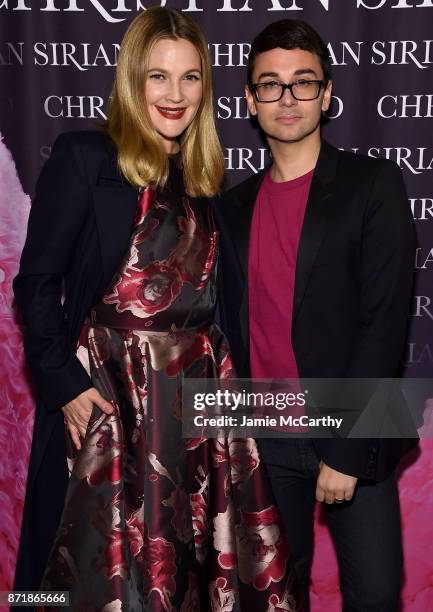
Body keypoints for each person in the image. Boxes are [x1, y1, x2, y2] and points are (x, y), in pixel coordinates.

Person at [13, 8, 299, 611]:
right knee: (104, 574)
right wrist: (64, 385)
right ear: (131, 81)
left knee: (187, 571)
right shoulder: (86, 157)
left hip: (195, 409)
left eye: (190, 77)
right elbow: (36, 283)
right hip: (112, 403)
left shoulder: (201, 184)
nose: (175, 94)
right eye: (158, 76)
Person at [215, 18, 418, 612]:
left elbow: (383, 326)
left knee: (376, 594)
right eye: (270, 84)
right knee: (276, 592)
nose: (287, 98)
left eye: (302, 83)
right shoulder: (231, 206)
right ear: (250, 99)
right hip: (262, 433)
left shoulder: (371, 183)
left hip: (348, 430)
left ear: (327, 94)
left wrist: (346, 450)